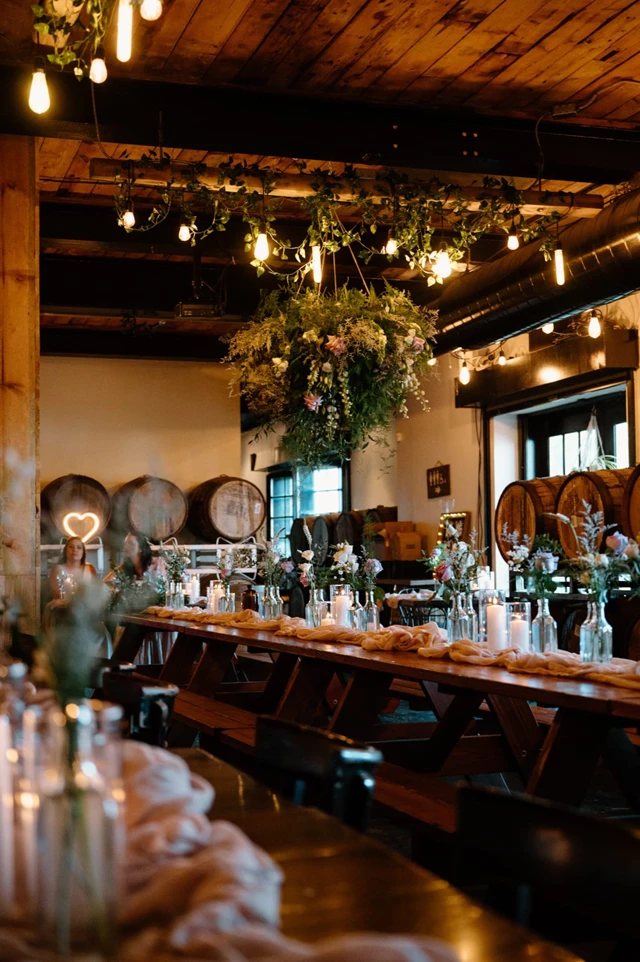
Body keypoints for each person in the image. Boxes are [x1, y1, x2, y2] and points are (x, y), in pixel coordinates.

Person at [105, 531, 171, 664]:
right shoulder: (124, 568)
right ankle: (121, 666)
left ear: (140, 548)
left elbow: (167, 587)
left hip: (156, 615)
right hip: (134, 615)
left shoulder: (156, 564)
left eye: (130, 543)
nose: (125, 546)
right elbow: (104, 584)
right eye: (125, 543)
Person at [49, 536, 97, 600]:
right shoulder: (57, 570)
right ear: (65, 551)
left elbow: (95, 592)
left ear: (83, 552)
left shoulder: (90, 569)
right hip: (62, 607)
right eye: (71, 547)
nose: (75, 550)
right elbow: (56, 594)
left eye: (79, 547)